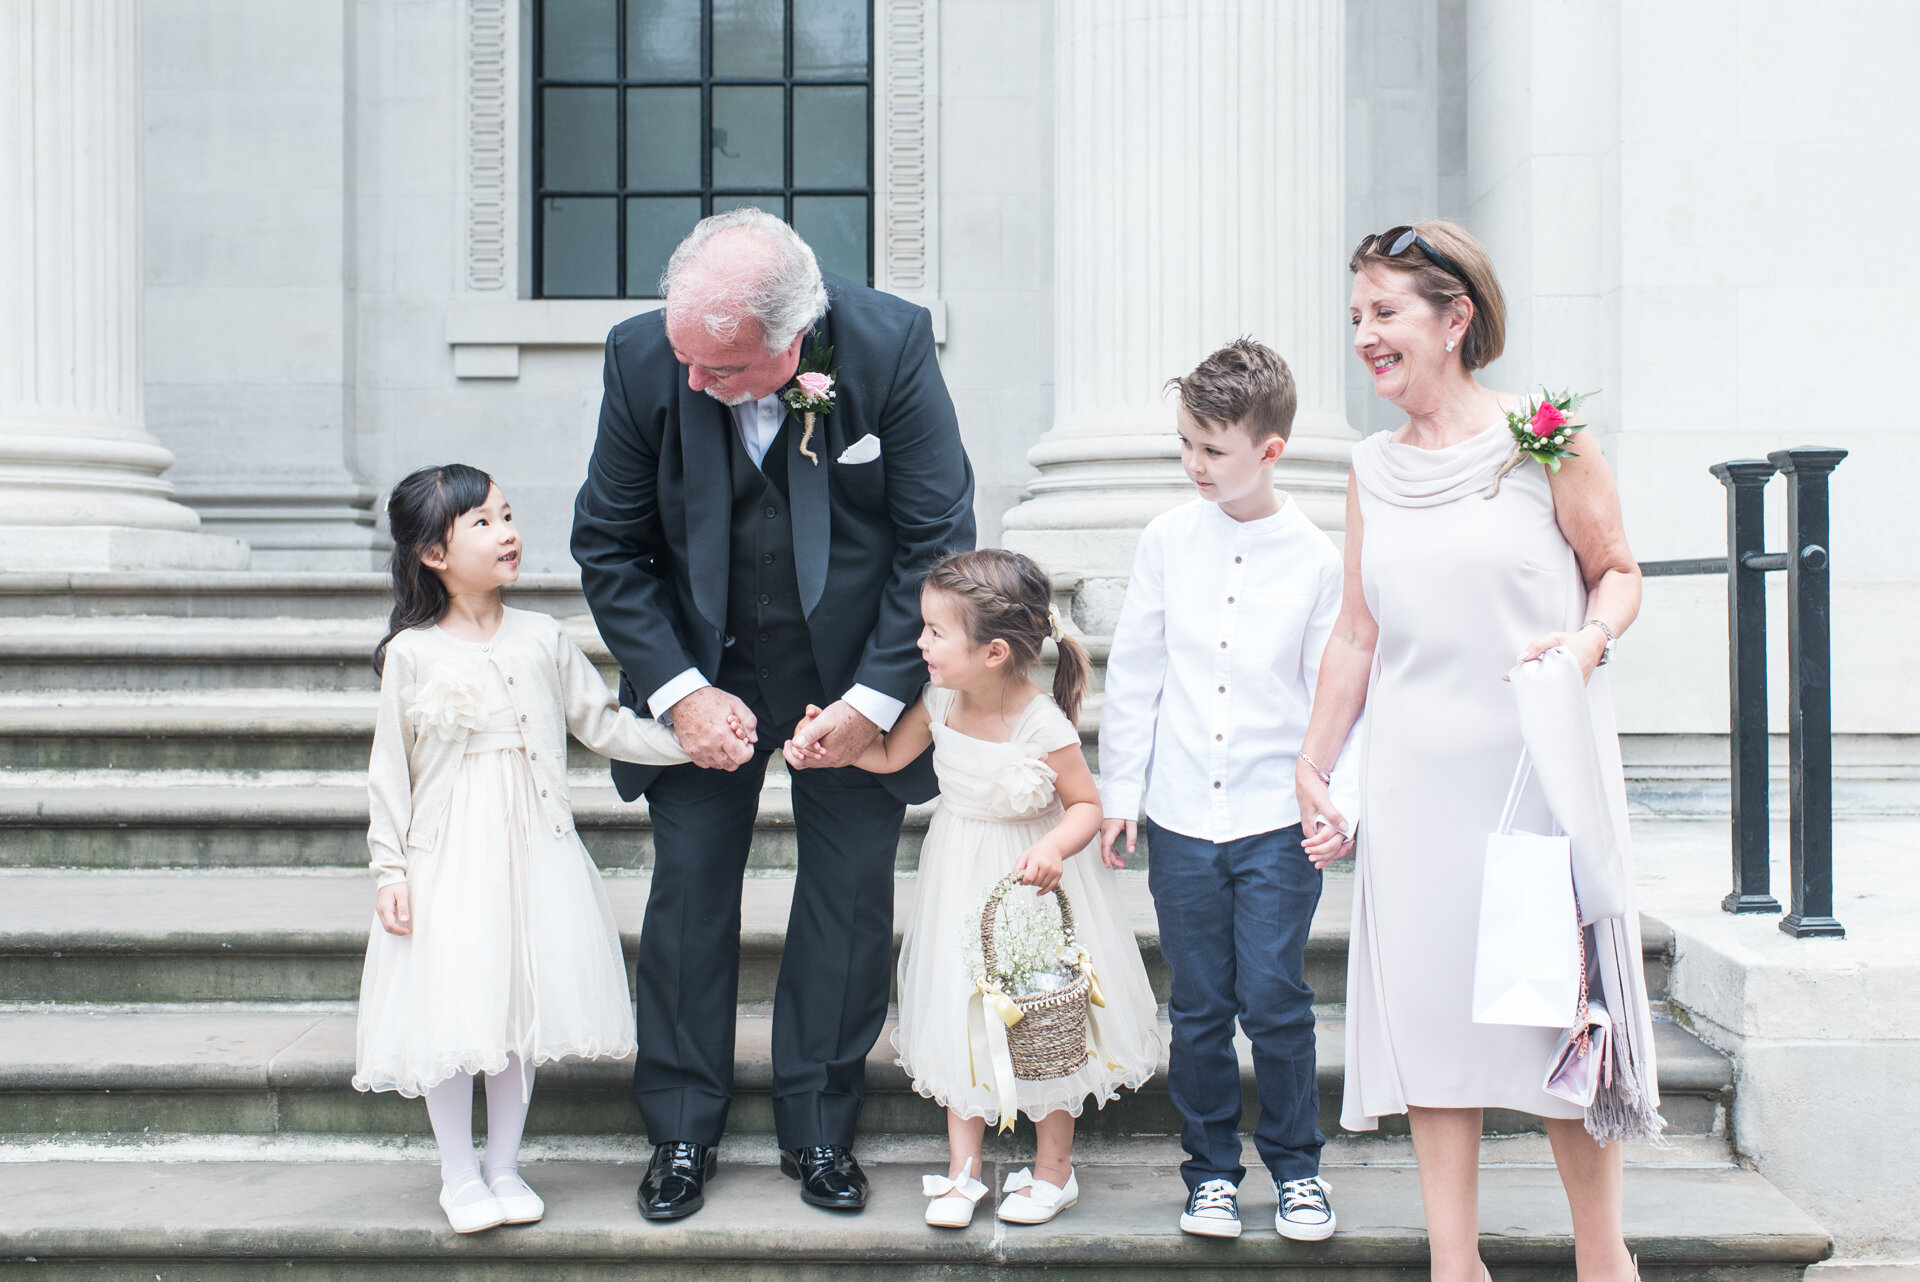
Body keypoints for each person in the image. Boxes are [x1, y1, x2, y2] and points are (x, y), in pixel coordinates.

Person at [571, 208, 977, 1220]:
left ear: (794, 342)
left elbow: (936, 539)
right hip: (702, 668)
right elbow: (609, 545)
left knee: (847, 898)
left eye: (725, 370)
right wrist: (678, 689)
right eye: (687, 363)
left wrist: (873, 700)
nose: (696, 385)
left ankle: (821, 1129)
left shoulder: (890, 346)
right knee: (688, 894)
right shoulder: (644, 358)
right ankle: (678, 1129)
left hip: (852, 668)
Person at [1294, 221, 1650, 1282]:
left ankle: (1602, 1259)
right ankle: (1456, 1263)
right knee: (1436, 1019)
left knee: (1560, 1018)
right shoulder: (1368, 467)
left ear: (1456, 319)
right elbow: (1357, 631)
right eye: (1356, 316)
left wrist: (1587, 642)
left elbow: (1620, 571)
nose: (1365, 335)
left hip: (1536, 771)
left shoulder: (1549, 438)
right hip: (1416, 781)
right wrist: (1316, 761)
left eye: (1386, 312)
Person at [353, 463, 697, 1234]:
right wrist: (390, 868)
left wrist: (693, 744)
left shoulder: (544, 636)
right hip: (449, 854)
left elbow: (603, 723)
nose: (505, 532)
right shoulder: (411, 653)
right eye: (480, 522)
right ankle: (458, 1174)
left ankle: (504, 1166)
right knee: (454, 1011)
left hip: (534, 849)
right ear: (432, 555)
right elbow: (390, 771)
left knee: (517, 1014)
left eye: (506, 514)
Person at [788, 549, 1159, 1228]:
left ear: (991, 652)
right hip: (959, 875)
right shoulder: (938, 700)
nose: (919, 642)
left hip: (1031, 888)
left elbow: (1084, 804)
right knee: (962, 1008)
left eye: (934, 631)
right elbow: (888, 755)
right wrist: (827, 740)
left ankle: (1054, 1168)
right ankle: (962, 1169)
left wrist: (1050, 847)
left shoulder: (1040, 721)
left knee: (1042, 1015)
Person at [1096, 339, 1352, 1243]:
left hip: (1275, 818)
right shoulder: (1168, 538)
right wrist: (1119, 791)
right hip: (1178, 816)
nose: (1194, 465)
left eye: (1213, 449)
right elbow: (1134, 674)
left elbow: (1339, 689)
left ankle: (1297, 1171)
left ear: (1270, 450)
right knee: (1199, 1004)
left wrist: (1338, 798)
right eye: (1187, 446)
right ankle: (1209, 1173)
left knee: (1276, 999)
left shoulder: (1320, 557)